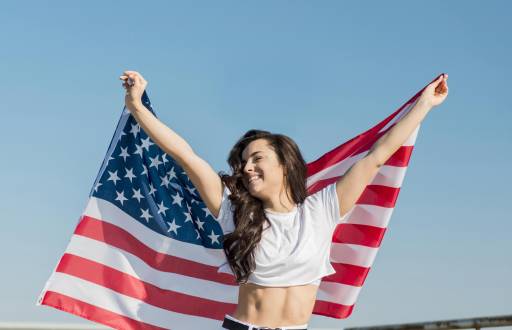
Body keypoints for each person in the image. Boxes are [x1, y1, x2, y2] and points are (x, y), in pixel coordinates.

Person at [119, 70, 449, 330]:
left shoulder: (323, 209)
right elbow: (186, 156)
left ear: (284, 162)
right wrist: (136, 107)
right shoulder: (233, 211)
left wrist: (424, 105)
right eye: (243, 162)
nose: (247, 168)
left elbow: (376, 157)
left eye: (257, 158)